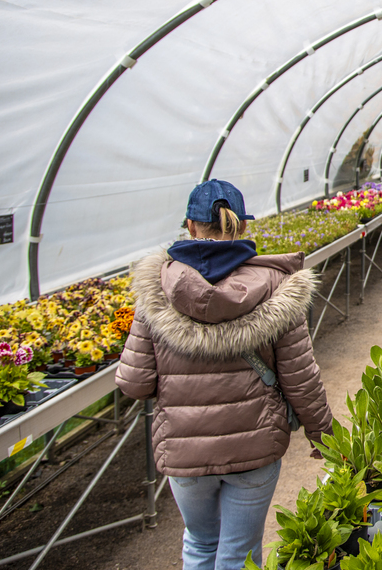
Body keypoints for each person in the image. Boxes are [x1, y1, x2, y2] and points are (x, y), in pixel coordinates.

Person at [116, 179, 333, 570]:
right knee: (240, 552)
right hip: (254, 447)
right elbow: (301, 381)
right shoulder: (278, 287)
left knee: (200, 544)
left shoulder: (156, 289)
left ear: (190, 225)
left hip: (184, 452)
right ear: (243, 227)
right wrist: (325, 437)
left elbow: (136, 383)